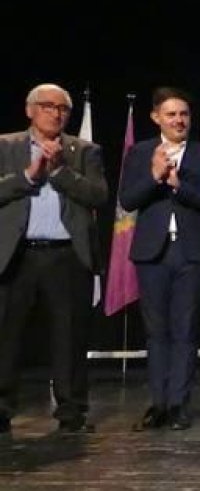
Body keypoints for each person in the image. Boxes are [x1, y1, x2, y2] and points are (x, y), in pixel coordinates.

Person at [0, 84, 107, 435]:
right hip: (16, 255)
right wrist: (29, 176)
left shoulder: (84, 150)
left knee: (69, 337)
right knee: (7, 336)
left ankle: (71, 411)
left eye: (62, 109)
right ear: (30, 110)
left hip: (66, 256)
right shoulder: (6, 145)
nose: (56, 113)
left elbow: (98, 195)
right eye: (47, 106)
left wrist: (59, 171)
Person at [120, 86, 200, 432]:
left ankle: (179, 403)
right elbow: (128, 199)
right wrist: (154, 177)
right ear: (156, 117)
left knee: (185, 330)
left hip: (191, 253)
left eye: (184, 114)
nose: (179, 120)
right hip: (152, 253)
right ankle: (158, 404)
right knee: (156, 332)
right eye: (171, 114)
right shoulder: (139, 153)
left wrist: (180, 184)